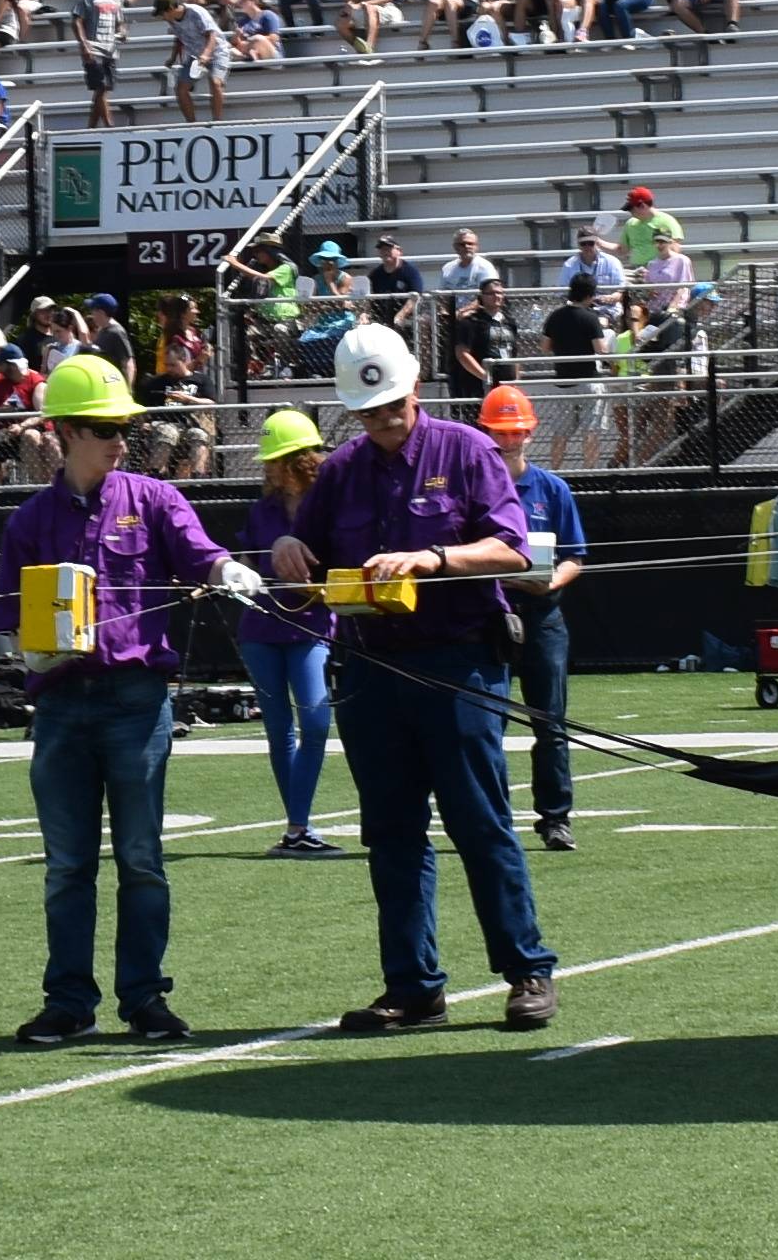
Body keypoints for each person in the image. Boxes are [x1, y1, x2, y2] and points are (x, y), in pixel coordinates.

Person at [266, 322, 559, 1034]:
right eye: (369, 412)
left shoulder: (467, 450)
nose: (384, 421)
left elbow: (513, 548)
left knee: (479, 820)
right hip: (371, 669)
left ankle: (527, 970)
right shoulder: (339, 472)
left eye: (392, 405)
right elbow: (317, 561)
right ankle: (412, 986)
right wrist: (290, 548)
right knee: (390, 831)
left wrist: (432, 558)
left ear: (416, 390)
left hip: (458, 661)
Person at [0, 352, 249, 1044]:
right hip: (59, 706)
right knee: (67, 864)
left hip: (138, 701)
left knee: (141, 858)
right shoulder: (27, 522)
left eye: (122, 427)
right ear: (66, 432)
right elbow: (6, 629)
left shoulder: (156, 500)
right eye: (106, 427)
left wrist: (229, 568)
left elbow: (202, 555)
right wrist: (34, 650)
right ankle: (69, 1001)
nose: (119, 439)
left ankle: (144, 998)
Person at [235, 410, 341, 856]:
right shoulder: (265, 510)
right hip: (261, 627)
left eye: (276, 460)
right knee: (280, 730)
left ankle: (297, 826)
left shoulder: (330, 505)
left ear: (300, 459)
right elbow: (244, 553)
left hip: (313, 623)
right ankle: (298, 827)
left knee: (316, 721)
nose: (269, 468)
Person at [488, 393, 586, 850]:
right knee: (487, 722)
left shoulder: (552, 489)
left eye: (515, 431)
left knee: (551, 723)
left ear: (530, 431)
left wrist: (549, 584)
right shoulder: (477, 488)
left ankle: (556, 819)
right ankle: (493, 816)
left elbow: (575, 556)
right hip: (490, 614)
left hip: (543, 616)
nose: (509, 440)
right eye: (500, 431)